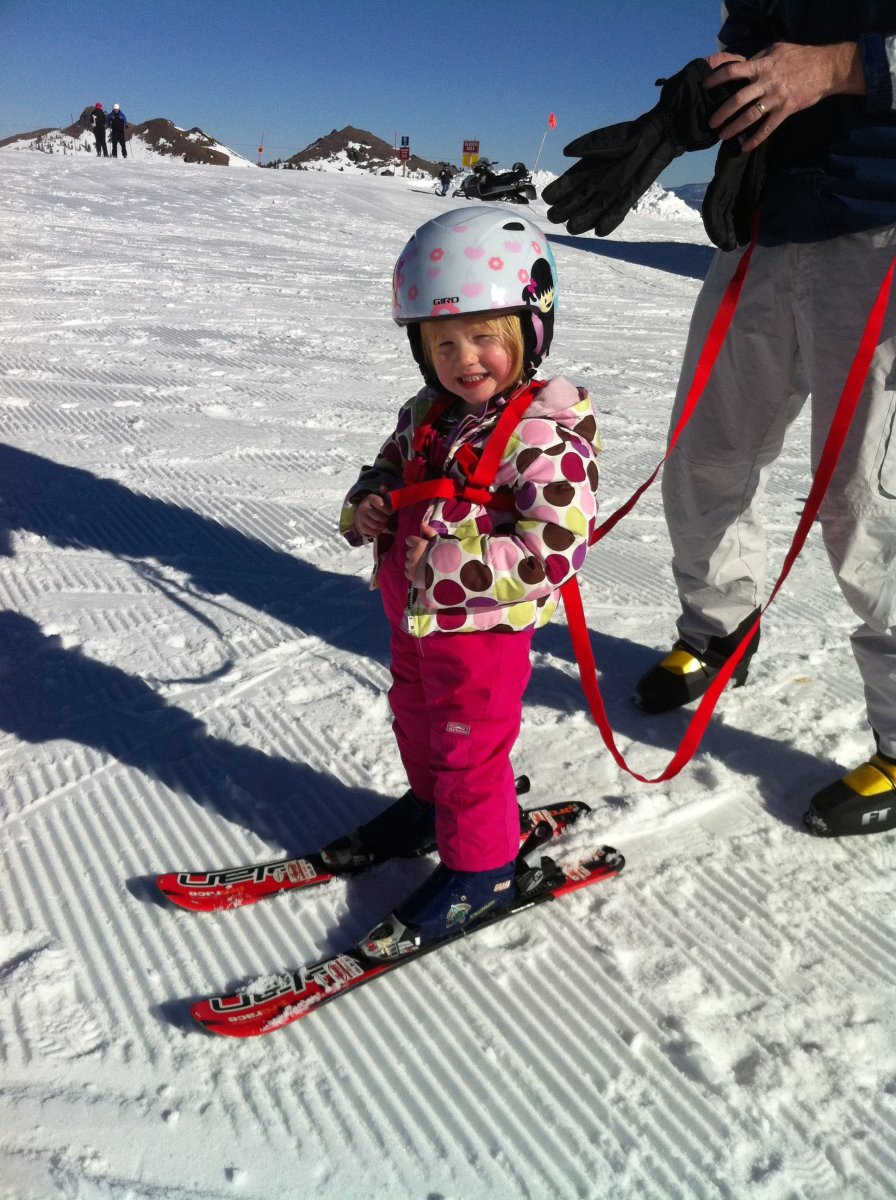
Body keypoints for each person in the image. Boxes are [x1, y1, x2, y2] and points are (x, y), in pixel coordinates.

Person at [545, 2, 896, 838]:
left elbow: (813, 63)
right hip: (764, 223)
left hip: (882, 228)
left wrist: (838, 67)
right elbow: (755, 51)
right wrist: (690, 103)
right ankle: (718, 631)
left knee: (868, 498)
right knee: (707, 455)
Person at [329, 207, 600, 957]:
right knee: (414, 719)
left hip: (481, 633)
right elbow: (386, 467)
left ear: (529, 329)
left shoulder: (543, 436)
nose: (464, 359)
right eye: (443, 343)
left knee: (467, 749)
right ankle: (429, 808)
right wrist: (370, 502)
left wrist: (447, 566)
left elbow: (554, 550)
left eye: (485, 337)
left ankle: (483, 869)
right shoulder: (426, 412)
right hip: (414, 620)